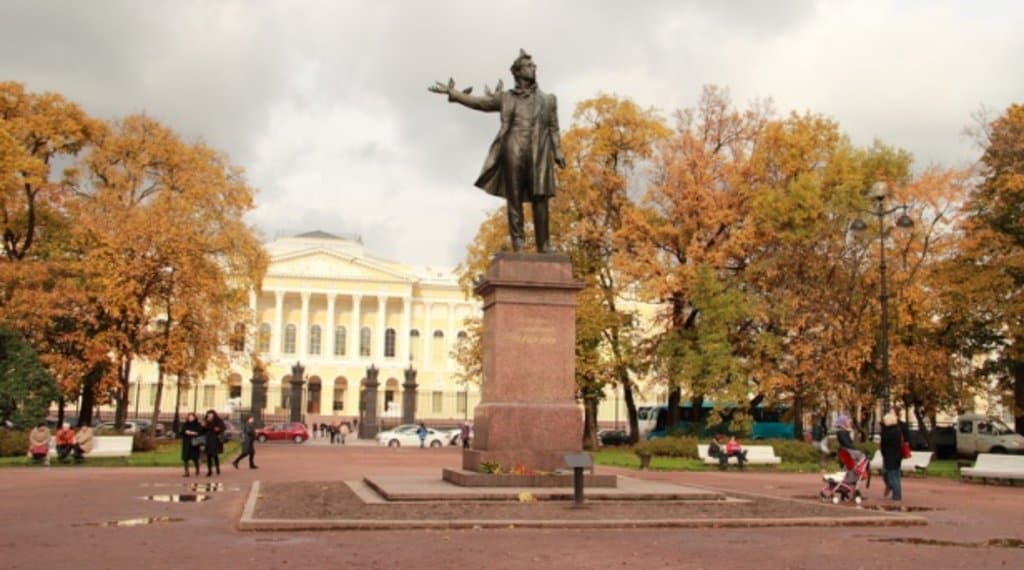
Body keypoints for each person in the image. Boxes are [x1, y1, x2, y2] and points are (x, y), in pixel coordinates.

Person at [429, 49, 566, 253]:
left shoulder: (548, 100)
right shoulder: (505, 98)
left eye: (534, 66)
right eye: (529, 66)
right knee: (515, 196)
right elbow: (479, 103)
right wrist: (455, 94)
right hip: (513, 146)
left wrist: (558, 151)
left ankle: (544, 245)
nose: (534, 68)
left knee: (541, 198)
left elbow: (553, 128)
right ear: (517, 72)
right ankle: (518, 244)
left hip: (539, 150)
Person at [880, 410, 909, 501]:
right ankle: (898, 494)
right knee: (896, 475)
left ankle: (896, 496)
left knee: (891, 476)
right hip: (898, 455)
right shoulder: (898, 431)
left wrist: (884, 453)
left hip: (889, 456)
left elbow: (883, 445)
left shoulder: (886, 432)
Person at [202, 409, 226, 476]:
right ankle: (209, 470)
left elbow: (223, 428)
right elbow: (203, 430)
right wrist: (204, 426)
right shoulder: (206, 421)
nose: (209, 415)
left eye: (211, 414)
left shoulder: (218, 420)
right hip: (208, 439)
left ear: (214, 414)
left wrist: (218, 429)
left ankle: (217, 468)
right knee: (208, 455)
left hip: (216, 440)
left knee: (215, 455)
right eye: (208, 414)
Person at [180, 412, 203, 477]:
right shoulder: (185, 424)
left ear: (194, 418)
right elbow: (182, 432)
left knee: (195, 458)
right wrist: (185, 432)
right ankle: (187, 472)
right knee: (185, 458)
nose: (190, 418)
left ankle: (197, 469)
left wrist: (193, 433)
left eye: (191, 417)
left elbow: (200, 433)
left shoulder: (198, 425)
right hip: (186, 443)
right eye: (189, 417)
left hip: (195, 443)